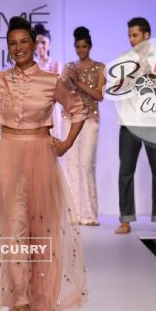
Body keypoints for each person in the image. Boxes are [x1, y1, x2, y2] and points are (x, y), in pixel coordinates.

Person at [0, 16, 88, 311]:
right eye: (12, 44)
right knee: (14, 226)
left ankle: (38, 299)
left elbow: (78, 110)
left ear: (34, 44)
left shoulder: (50, 80)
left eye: (23, 42)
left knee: (40, 228)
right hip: (8, 153)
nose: (18, 48)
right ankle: (20, 299)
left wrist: (67, 143)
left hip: (41, 153)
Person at [114, 17, 156, 235]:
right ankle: (126, 220)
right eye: (129, 35)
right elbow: (117, 88)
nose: (131, 39)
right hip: (129, 124)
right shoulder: (124, 57)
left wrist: (149, 72)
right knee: (125, 173)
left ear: (146, 35)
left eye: (135, 35)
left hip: (154, 123)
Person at [60, 26, 105, 226]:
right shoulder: (69, 66)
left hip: (90, 119)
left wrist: (79, 84)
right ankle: (73, 213)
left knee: (86, 165)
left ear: (90, 46)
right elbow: (61, 93)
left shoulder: (99, 67)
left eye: (84, 46)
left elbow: (99, 96)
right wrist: (69, 85)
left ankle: (89, 214)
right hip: (70, 119)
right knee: (71, 166)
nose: (81, 50)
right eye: (78, 46)